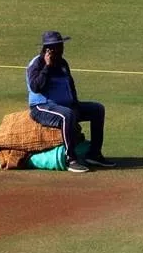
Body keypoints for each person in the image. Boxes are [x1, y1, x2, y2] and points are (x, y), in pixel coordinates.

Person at [26, 30, 115, 173]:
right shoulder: (37, 64)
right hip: (42, 107)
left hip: (65, 106)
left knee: (97, 109)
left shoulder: (62, 63)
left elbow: (70, 85)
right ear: (47, 49)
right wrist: (47, 67)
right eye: (57, 46)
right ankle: (70, 159)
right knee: (66, 114)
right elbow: (36, 87)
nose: (61, 49)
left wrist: (75, 104)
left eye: (61, 45)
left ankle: (94, 154)